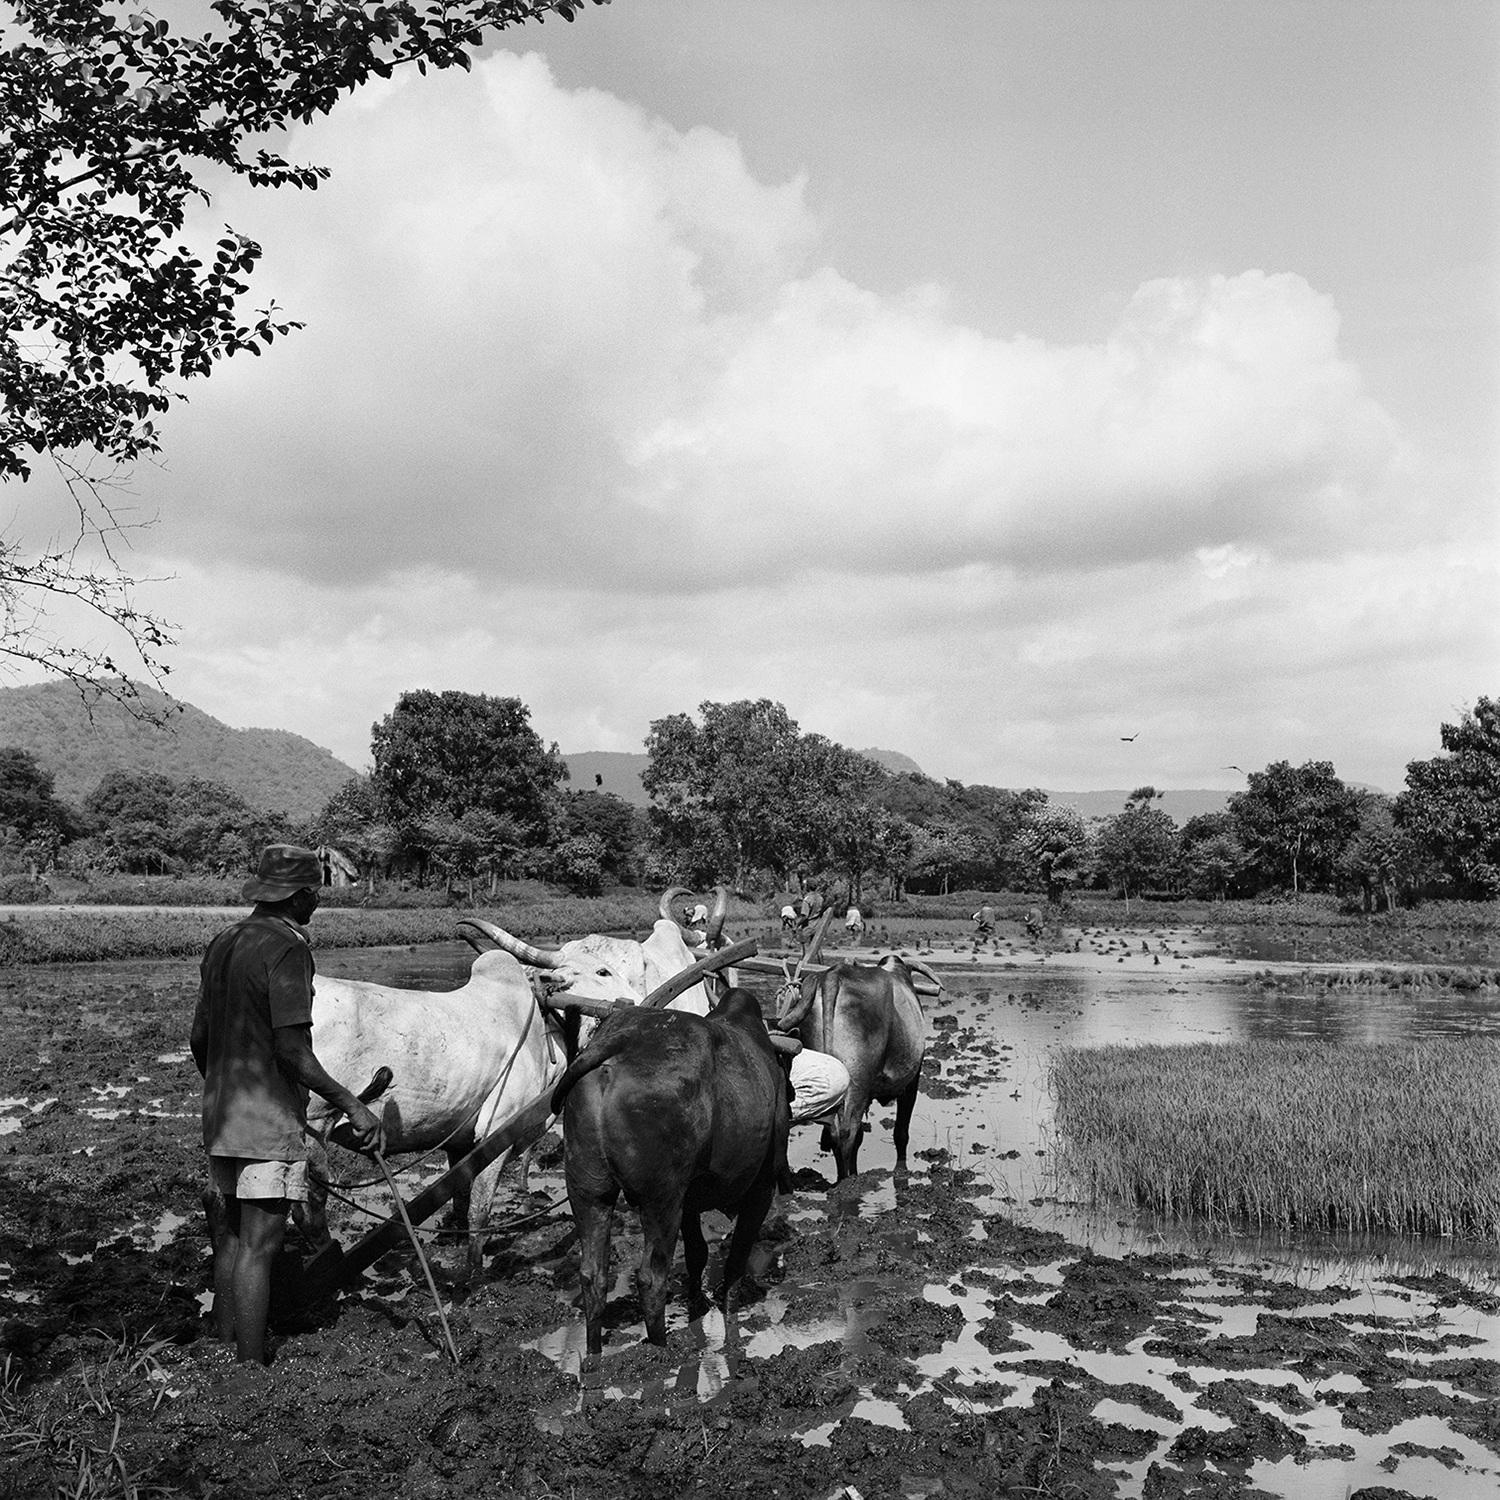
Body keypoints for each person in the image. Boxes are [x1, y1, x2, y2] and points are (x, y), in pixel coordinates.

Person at [191, 844, 385, 1364]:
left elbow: (199, 1037)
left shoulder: (224, 941)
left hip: (222, 1115)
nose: (316, 905)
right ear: (299, 897)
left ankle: (226, 1346)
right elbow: (293, 1051)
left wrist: (221, 1088)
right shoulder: (288, 949)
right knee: (261, 1244)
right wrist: (354, 1105)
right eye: (314, 895)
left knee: (232, 1237)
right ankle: (251, 1369)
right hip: (267, 1120)